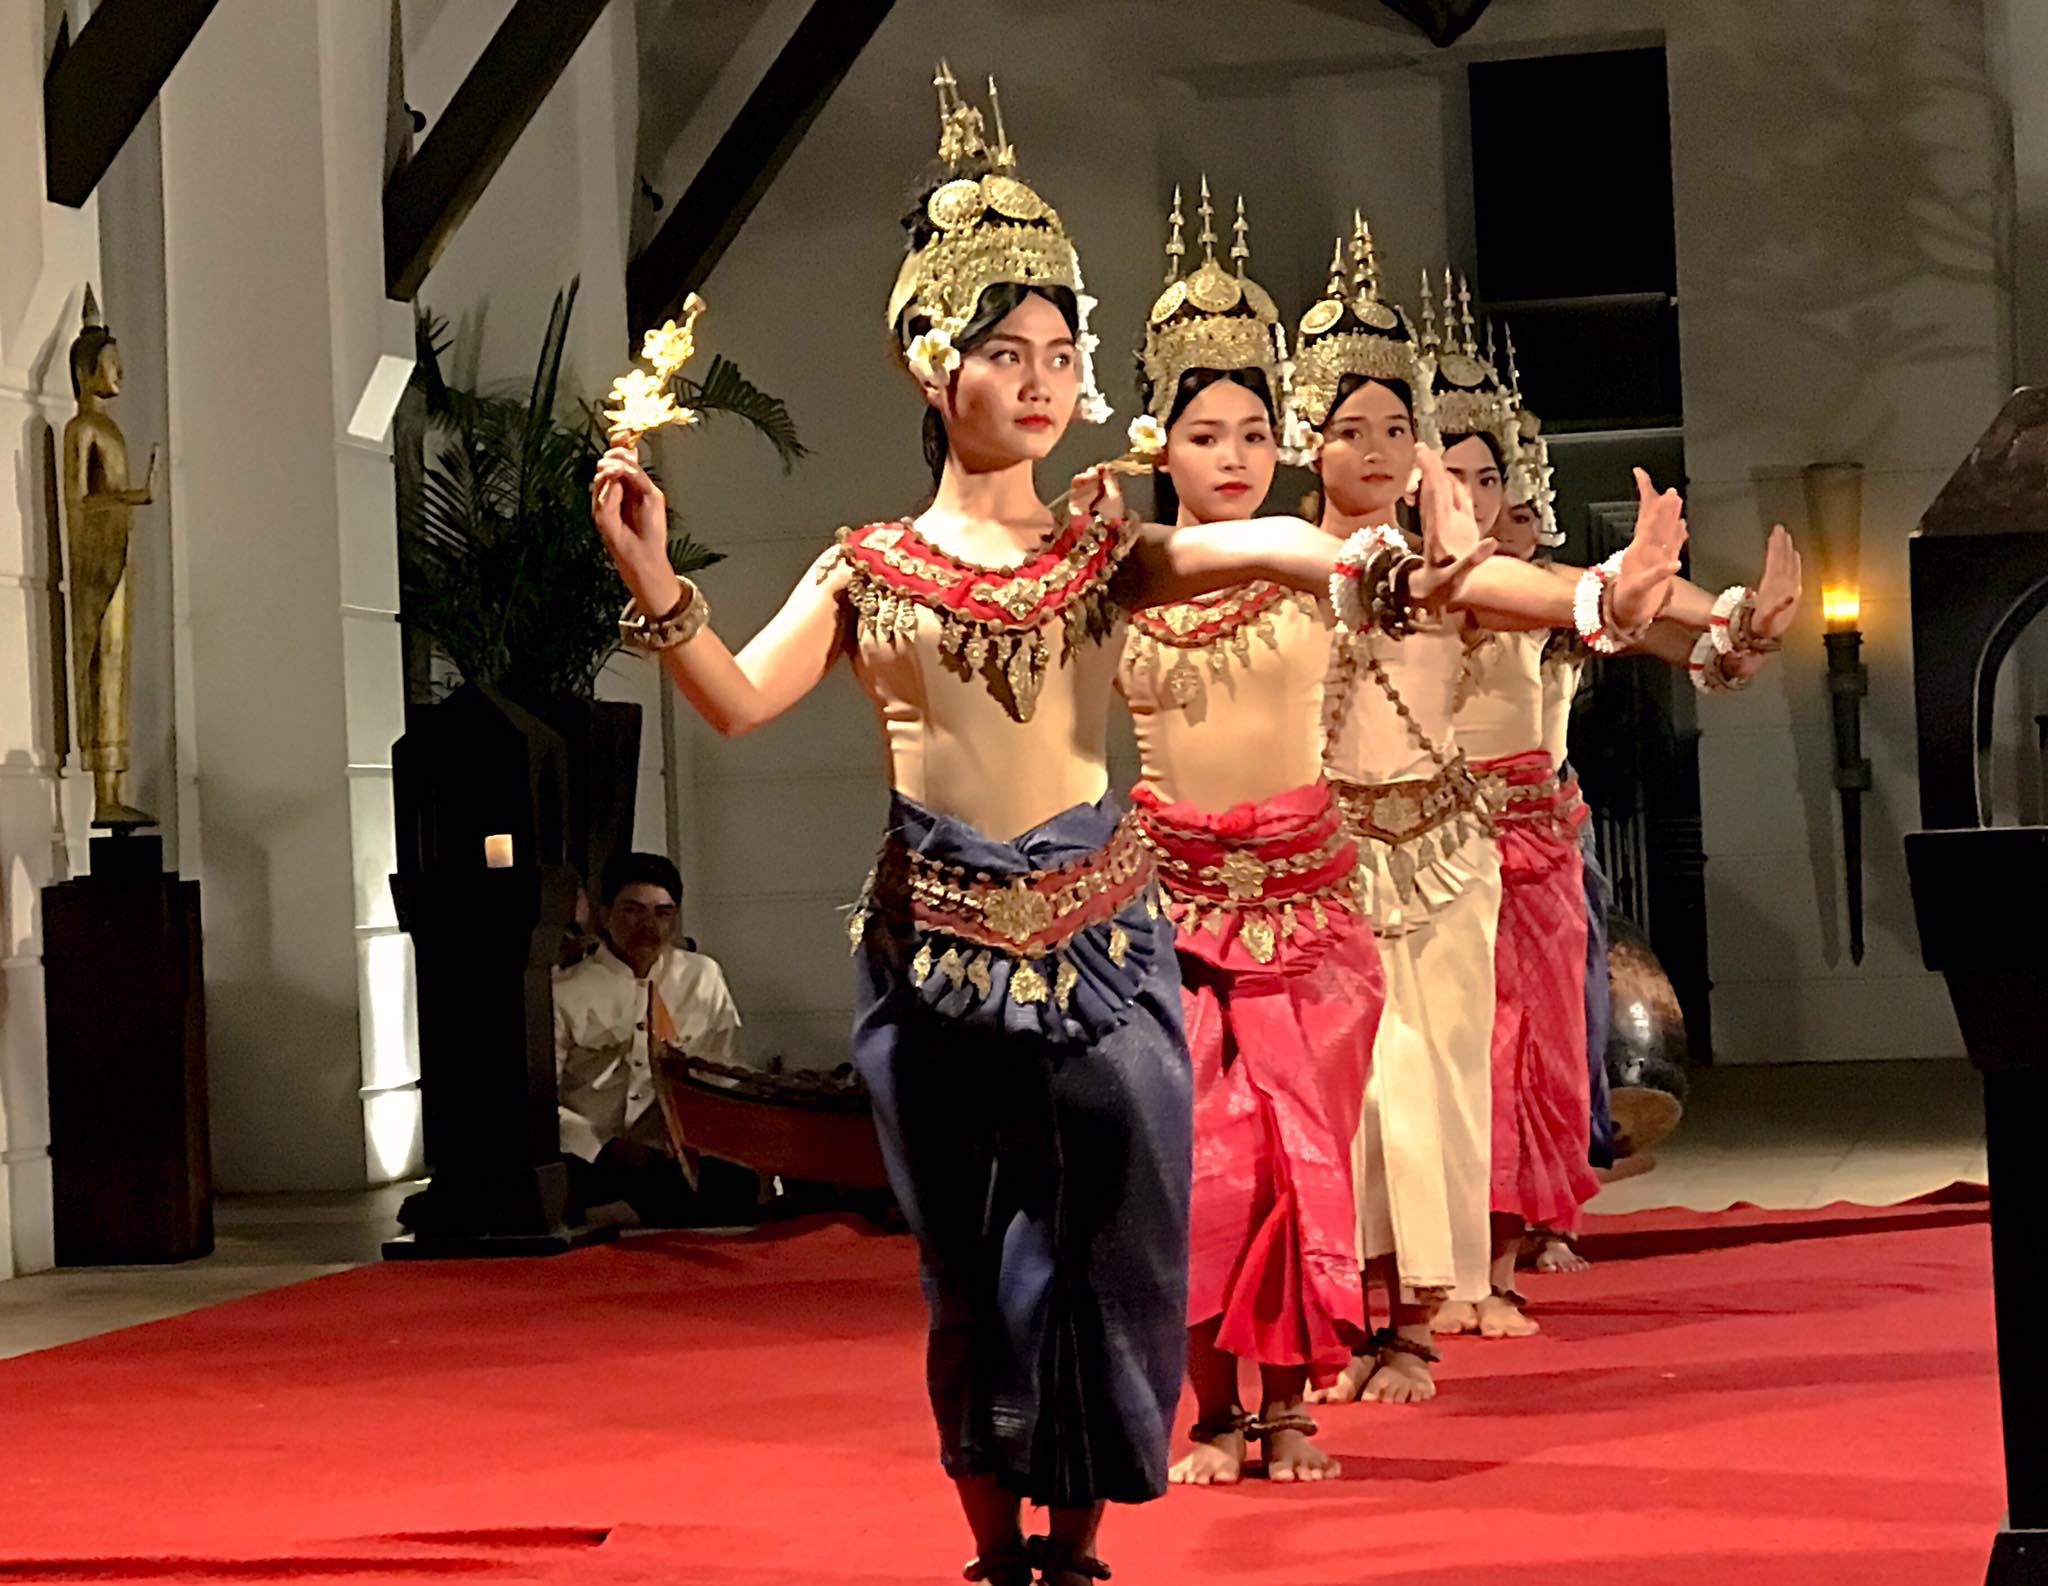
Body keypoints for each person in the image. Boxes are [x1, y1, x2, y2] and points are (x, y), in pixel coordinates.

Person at [586, 70, 1459, 1586]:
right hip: (935, 947)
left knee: (1119, 1226)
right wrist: (660, 583)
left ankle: (1082, 1533)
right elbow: (735, 702)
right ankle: (1004, 1546)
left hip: (1104, 937)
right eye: (1010, 352)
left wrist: (1360, 546)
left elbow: (1248, 539)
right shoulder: (869, 566)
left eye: (1064, 353)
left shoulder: (1105, 544)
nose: (1046, 381)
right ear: (936, 367)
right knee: (972, 1262)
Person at [1116, 186, 1378, 1486]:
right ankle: (1212, 1409)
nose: (1234, 453)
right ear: (1160, 440)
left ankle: (1290, 1406)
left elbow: (1447, 580)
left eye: (1257, 430)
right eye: (1206, 432)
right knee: (1203, 1170)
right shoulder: (1121, 585)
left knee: (1299, 1164)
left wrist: (1622, 600)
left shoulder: (1317, 558)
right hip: (1174, 917)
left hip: (1316, 916)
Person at [553, 852, 752, 1226]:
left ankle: (621, 1215)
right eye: (633, 910)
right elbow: (543, 1098)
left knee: (736, 1185)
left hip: (671, 1152)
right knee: (555, 1181)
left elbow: (724, 1072)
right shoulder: (565, 990)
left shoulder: (701, 976)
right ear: (604, 914)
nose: (649, 925)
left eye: (663, 912)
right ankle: (618, 1211)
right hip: (592, 1155)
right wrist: (602, 1145)